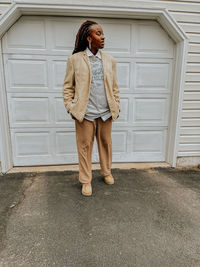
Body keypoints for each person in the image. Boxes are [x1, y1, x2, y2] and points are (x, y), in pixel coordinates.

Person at [62, 20, 120, 196]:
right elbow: (67, 87)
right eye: (98, 34)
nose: (103, 37)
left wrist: (116, 104)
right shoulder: (75, 60)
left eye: (102, 33)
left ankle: (106, 172)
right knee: (85, 147)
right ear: (89, 38)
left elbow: (115, 86)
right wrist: (71, 107)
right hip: (85, 113)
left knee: (106, 144)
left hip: (106, 113)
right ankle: (86, 181)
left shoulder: (109, 60)